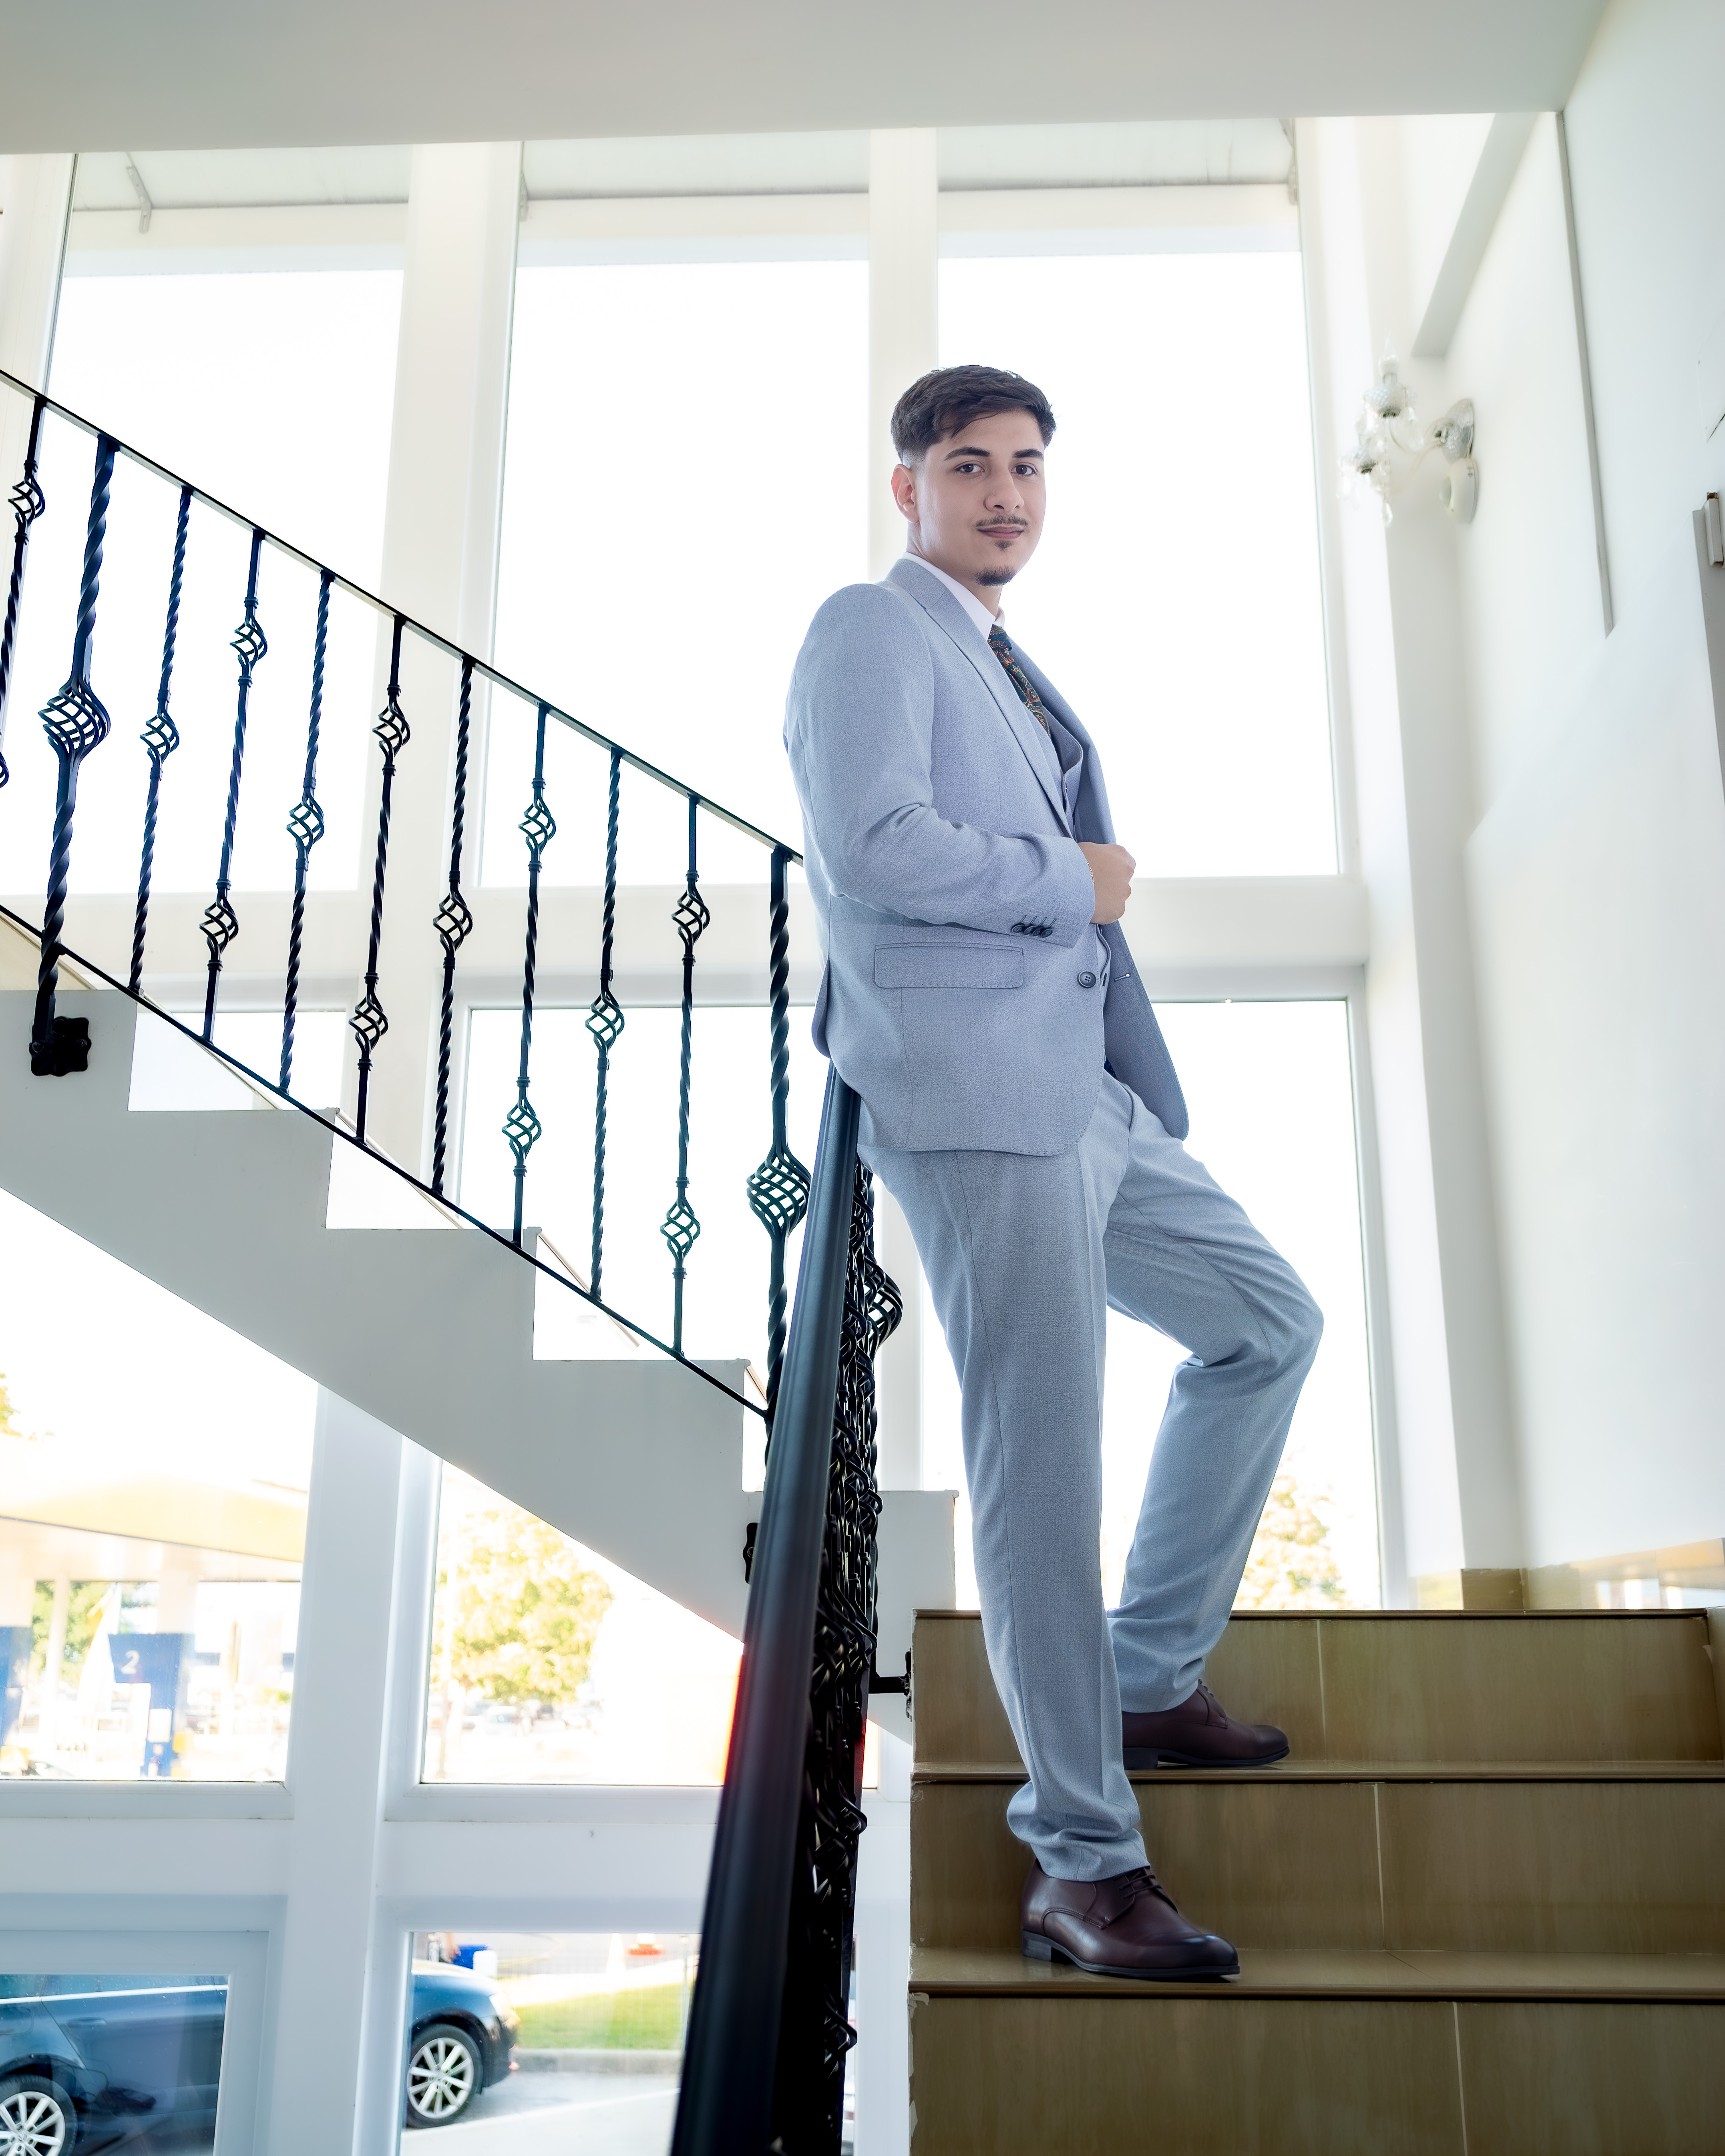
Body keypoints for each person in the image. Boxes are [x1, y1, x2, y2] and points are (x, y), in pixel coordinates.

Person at [783, 364, 1323, 1982]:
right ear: (909, 488)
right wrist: (1070, 878)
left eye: (1026, 465)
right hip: (973, 1091)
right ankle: (1082, 1863)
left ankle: (1146, 1674)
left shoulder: (1003, 660)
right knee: (1041, 1471)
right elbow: (873, 844)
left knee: (1266, 1325)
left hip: (1084, 1094)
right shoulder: (870, 629)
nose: (1005, 492)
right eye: (969, 464)